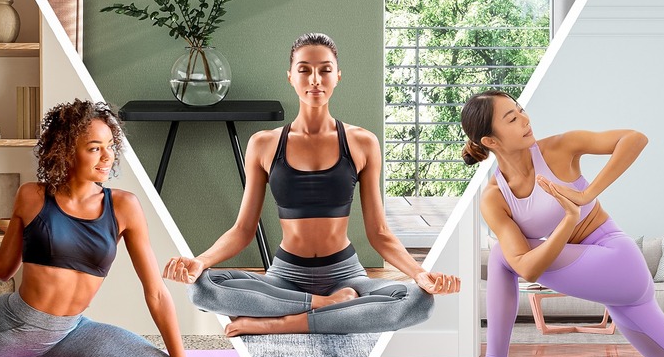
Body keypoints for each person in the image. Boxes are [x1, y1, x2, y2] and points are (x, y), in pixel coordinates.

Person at [0, 99, 233, 357]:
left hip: (70, 332)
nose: (107, 156)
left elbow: (156, 293)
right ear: (66, 150)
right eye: (94, 148)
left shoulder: (124, 206)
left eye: (110, 146)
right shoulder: (33, 196)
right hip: (11, 327)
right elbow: (3, 267)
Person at [163, 33, 460, 336]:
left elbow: (379, 234)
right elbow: (243, 230)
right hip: (285, 276)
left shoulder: (362, 142)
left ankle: (285, 321)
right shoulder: (264, 144)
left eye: (325, 70)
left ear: (338, 76)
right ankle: (325, 305)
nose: (315, 79)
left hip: (346, 276)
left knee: (419, 302)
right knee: (201, 289)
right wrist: (198, 262)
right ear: (290, 76)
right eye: (304, 69)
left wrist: (421, 274)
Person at [439, 89, 664, 357]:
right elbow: (527, 269)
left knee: (502, 254)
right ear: (490, 141)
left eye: (521, 110)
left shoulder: (558, 148)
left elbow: (634, 139)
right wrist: (568, 220)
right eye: (512, 118)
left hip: (617, 261)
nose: (525, 119)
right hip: (615, 290)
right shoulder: (495, 197)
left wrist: (585, 195)